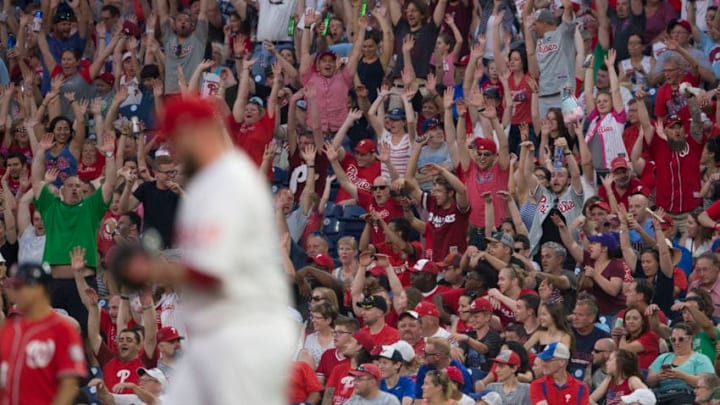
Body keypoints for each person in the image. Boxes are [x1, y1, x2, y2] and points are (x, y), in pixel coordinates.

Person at [140, 96, 294, 404]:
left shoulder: (231, 182)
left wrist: (150, 269)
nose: (175, 149)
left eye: (178, 138)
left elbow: (216, 274)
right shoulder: (205, 186)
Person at [31, 130, 117, 333]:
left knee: (89, 334)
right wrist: (41, 152)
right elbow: (36, 181)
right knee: (53, 335)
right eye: (70, 186)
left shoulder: (90, 207)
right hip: (54, 283)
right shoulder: (51, 207)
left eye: (78, 186)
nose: (75, 189)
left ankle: (92, 366)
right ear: (61, 190)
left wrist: (110, 156)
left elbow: (110, 184)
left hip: (84, 281)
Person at [0, 263, 86, 405]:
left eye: (20, 288)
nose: (14, 293)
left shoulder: (63, 329)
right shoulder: (11, 328)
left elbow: (70, 384)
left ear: (38, 290)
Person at [647, 323, 714, 403]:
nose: (676, 343)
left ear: (690, 339)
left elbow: (706, 383)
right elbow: (649, 381)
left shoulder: (701, 359)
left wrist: (683, 376)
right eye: (673, 340)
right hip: (661, 395)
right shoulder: (663, 357)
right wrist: (658, 377)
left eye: (681, 339)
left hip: (687, 395)